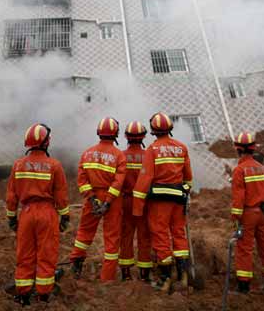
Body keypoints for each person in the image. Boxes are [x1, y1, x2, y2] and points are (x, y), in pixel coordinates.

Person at [6, 123, 70, 306]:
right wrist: (65, 216)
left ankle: (23, 295)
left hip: (26, 213)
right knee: (46, 254)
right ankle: (43, 296)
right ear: (45, 143)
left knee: (24, 255)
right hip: (47, 214)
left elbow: (11, 196)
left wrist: (11, 218)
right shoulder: (54, 165)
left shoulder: (18, 165)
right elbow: (61, 195)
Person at [132, 112, 193, 291]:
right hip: (178, 199)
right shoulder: (181, 148)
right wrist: (185, 193)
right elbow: (188, 177)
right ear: (170, 129)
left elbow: (145, 178)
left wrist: (138, 207)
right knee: (178, 233)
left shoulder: (152, 149)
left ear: (153, 131)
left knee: (160, 235)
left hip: (159, 202)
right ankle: (183, 275)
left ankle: (165, 277)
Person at [69, 117, 127, 282]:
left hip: (91, 198)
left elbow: (81, 180)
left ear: (98, 133)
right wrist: (107, 202)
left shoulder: (87, 153)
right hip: (113, 200)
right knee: (112, 238)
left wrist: (93, 199)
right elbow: (118, 181)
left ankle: (76, 266)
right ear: (116, 134)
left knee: (84, 233)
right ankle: (107, 278)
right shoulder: (119, 155)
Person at [230, 132, 264, 294]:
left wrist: (235, 217)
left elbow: (239, 197)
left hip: (248, 214)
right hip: (263, 212)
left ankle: (243, 285)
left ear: (238, 149)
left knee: (244, 248)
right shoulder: (262, 168)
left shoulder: (239, 170)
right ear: (253, 148)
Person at [118, 121, 153, 282]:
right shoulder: (149, 156)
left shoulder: (121, 156)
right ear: (144, 137)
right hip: (144, 202)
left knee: (126, 235)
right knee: (144, 236)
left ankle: (125, 273)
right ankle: (144, 273)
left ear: (126, 137)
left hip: (125, 201)